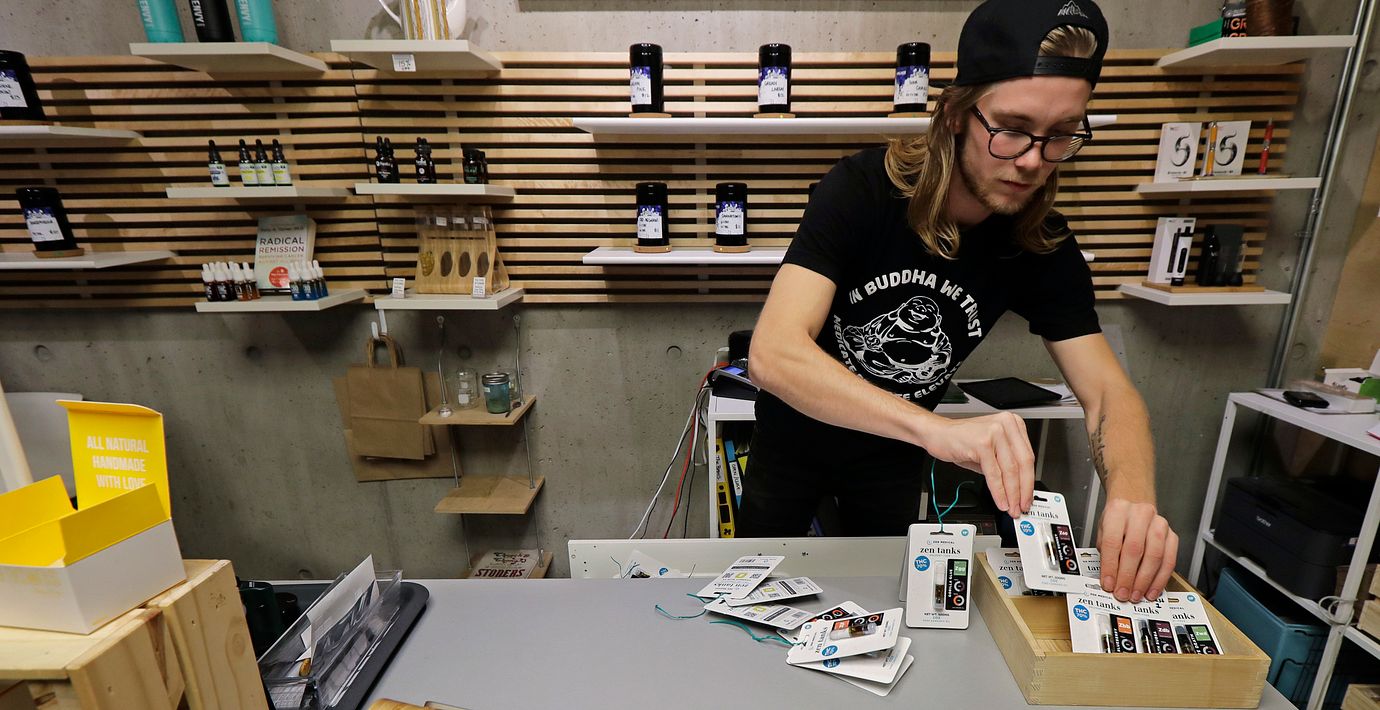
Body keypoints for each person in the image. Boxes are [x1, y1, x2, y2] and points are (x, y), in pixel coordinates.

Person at [743, 0, 1177, 604]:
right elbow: (774, 354)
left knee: (882, 608)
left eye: (1060, 135)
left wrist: (1133, 498)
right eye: (1012, 128)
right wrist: (937, 430)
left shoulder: (1041, 242)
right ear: (953, 113)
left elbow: (1108, 392)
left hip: (893, 456)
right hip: (794, 439)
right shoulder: (862, 191)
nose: (1032, 160)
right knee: (756, 597)